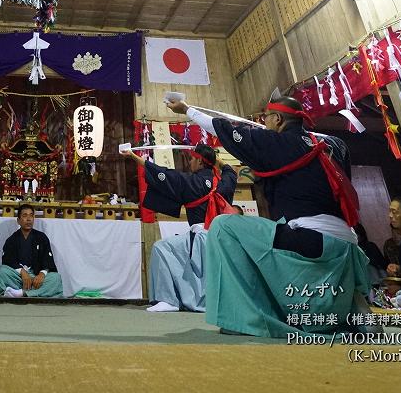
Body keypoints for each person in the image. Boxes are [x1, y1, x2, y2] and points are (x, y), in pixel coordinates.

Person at [167, 96, 370, 337]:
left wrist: (188, 109)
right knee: (278, 226)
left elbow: (225, 130)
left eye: (266, 119)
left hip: (312, 241)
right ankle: (356, 305)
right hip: (346, 246)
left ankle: (246, 316)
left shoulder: (281, 142)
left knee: (223, 226)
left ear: (278, 119)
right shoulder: (333, 146)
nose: (265, 123)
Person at [121, 144, 236, 312]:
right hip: (220, 239)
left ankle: (168, 300)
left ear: (199, 161)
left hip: (201, 240)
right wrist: (217, 161)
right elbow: (231, 171)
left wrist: (133, 156)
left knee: (161, 248)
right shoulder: (223, 182)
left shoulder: (192, 182)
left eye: (191, 158)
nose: (189, 162)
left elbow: (163, 175)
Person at [0, 204, 63, 298]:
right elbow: (8, 261)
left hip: (36, 277)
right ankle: (34, 293)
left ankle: (21, 293)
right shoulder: (11, 240)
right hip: (18, 277)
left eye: (31, 215)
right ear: (18, 220)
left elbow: (47, 259)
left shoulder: (41, 237)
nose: (28, 219)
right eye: (25, 216)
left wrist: (42, 274)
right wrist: (23, 272)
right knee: (0, 272)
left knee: (55, 278)